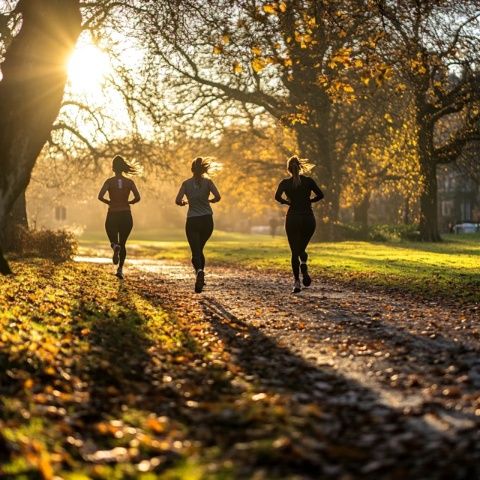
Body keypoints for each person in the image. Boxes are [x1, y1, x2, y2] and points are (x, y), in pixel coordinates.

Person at [275, 155, 324, 293]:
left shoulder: (285, 183)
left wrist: (287, 202)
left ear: (288, 169)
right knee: (301, 249)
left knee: (294, 251)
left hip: (293, 218)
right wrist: (311, 201)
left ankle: (297, 282)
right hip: (308, 218)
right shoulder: (308, 181)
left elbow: (277, 196)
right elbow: (321, 195)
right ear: (300, 167)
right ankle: (304, 265)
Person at [175, 157, 221, 293]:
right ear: (203, 170)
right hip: (207, 220)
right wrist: (210, 200)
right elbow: (218, 196)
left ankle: (199, 271)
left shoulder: (186, 183)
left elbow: (177, 200)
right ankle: (200, 274)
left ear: (191, 170)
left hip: (193, 220)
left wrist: (184, 203)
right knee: (199, 249)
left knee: (196, 251)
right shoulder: (208, 182)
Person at [98, 155, 141, 279]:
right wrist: (130, 202)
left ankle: (114, 246)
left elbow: (100, 196)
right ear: (123, 168)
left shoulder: (109, 182)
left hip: (113, 214)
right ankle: (120, 269)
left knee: (113, 238)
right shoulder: (129, 182)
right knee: (123, 243)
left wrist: (109, 202)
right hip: (126, 215)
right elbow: (138, 197)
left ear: (113, 168)